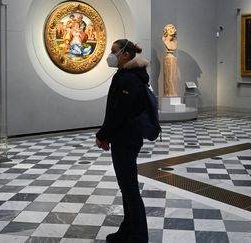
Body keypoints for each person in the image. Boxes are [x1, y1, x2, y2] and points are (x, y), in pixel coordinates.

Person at [96, 39, 149, 243]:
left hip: (126, 139)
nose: (111, 55)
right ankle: (128, 230)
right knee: (126, 186)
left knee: (130, 189)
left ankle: (139, 236)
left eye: (114, 51)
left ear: (125, 54)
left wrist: (103, 134)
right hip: (124, 137)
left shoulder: (130, 79)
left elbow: (119, 113)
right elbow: (116, 110)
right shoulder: (126, 75)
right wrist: (106, 133)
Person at [162, 24, 178, 96]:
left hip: (171, 57)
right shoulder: (164, 40)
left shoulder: (175, 42)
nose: (172, 30)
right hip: (168, 58)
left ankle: (173, 93)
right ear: (166, 31)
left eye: (173, 28)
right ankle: (169, 93)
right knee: (169, 80)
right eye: (169, 29)